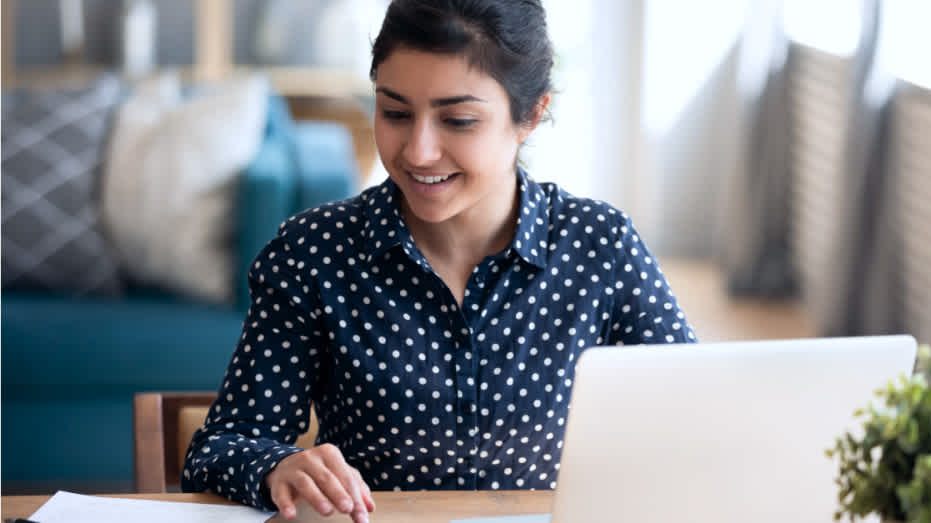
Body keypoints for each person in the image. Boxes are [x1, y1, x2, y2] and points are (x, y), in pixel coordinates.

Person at [182, 1, 697, 521]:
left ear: (532, 115)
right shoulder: (314, 253)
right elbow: (218, 449)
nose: (419, 151)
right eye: (396, 113)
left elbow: (701, 415)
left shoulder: (600, 246)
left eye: (458, 119)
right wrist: (277, 467)